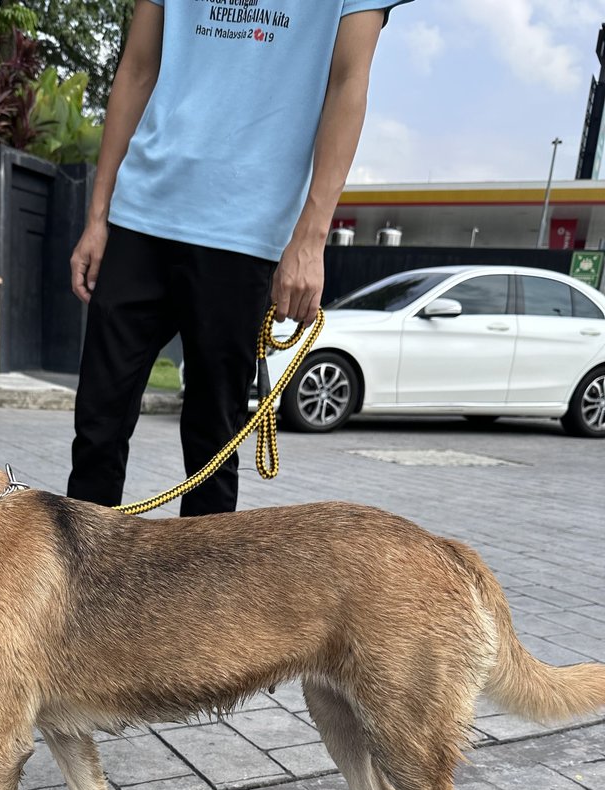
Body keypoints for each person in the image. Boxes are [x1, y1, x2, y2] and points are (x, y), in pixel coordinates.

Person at [67, 0, 412, 516]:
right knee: (97, 426)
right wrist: (98, 216)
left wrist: (311, 240)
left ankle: (205, 600)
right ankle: (80, 591)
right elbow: (137, 68)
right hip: (140, 215)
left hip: (245, 231)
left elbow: (347, 85)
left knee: (213, 444)